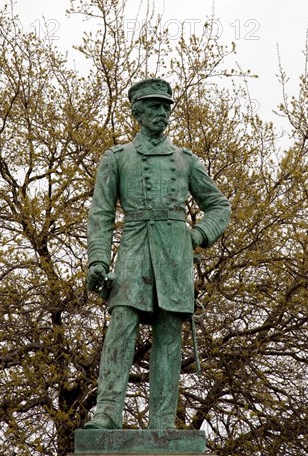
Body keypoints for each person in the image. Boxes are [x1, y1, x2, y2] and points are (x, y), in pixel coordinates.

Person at [85, 78, 231, 430]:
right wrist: (98, 260)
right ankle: (106, 414)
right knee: (121, 327)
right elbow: (101, 214)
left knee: (169, 337)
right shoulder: (116, 159)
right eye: (153, 107)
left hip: (174, 258)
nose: (161, 113)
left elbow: (219, 206)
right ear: (137, 111)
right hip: (134, 250)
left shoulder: (185, 161)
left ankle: (163, 421)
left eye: (166, 107)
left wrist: (196, 236)